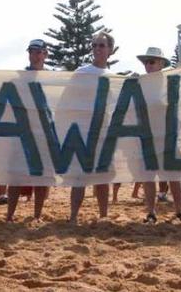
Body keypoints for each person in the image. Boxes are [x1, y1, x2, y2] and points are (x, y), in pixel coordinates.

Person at [69, 32, 114, 223]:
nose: (97, 49)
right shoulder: (81, 72)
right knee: (79, 178)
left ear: (110, 50)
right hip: (84, 132)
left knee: (103, 178)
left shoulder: (113, 77)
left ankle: (103, 215)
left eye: (101, 45)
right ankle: (73, 216)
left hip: (104, 132)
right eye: (94, 45)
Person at [136, 47, 181, 223]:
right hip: (147, 137)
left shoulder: (169, 83)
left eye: (152, 62)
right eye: (146, 62)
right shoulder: (139, 83)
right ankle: (151, 212)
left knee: (173, 176)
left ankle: (179, 211)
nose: (148, 65)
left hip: (167, 136)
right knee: (148, 177)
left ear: (161, 64)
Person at [5, 39, 52, 222]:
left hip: (44, 134)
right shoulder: (20, 78)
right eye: (32, 51)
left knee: (41, 178)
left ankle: (37, 215)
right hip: (21, 132)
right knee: (16, 176)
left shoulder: (53, 80)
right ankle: (9, 215)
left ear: (45, 54)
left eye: (39, 51)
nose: (35, 55)